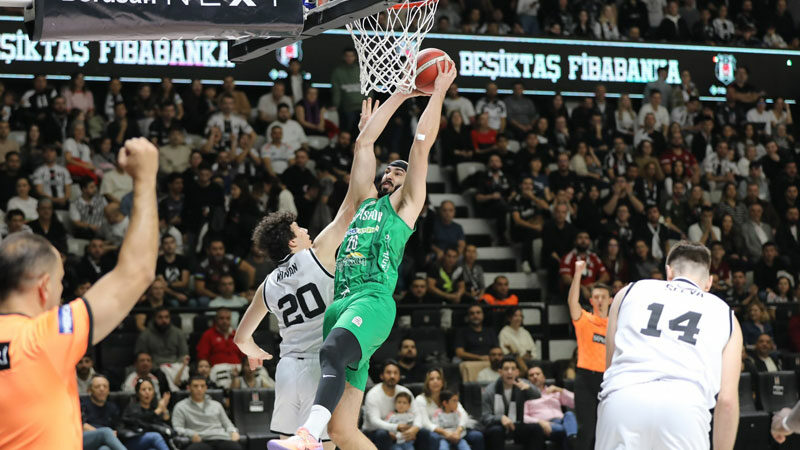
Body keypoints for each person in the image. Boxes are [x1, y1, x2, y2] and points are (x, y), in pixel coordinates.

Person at [269, 60, 457, 450]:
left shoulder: (405, 206)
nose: (389, 174)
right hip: (341, 303)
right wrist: (402, 93)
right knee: (342, 432)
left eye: (398, 173)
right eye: (387, 172)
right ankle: (317, 434)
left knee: (332, 350)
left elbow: (421, 145)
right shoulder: (364, 202)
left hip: (372, 301)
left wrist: (436, 92)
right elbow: (363, 145)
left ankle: (305, 436)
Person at [0, 137, 158, 449]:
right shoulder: (43, 337)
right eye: (60, 284)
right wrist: (146, 177)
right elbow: (137, 271)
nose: (62, 295)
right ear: (44, 286)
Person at [597, 241, 742, 450]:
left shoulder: (628, 292)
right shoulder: (725, 314)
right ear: (709, 283)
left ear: (669, 272)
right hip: (685, 408)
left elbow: (610, 366)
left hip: (624, 399)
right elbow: (727, 401)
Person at [567, 261, 611, 450]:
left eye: (603, 296)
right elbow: (572, 302)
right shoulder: (584, 319)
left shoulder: (617, 324)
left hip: (609, 380)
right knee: (587, 430)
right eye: (596, 297)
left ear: (610, 300)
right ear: (591, 300)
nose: (599, 300)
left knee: (609, 429)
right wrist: (577, 273)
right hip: (586, 378)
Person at [481, 356, 544, 450]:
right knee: (496, 431)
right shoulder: (490, 390)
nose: (510, 372)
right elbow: (485, 417)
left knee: (536, 428)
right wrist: (500, 418)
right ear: (500, 372)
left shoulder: (522, 384)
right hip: (497, 427)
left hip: (516, 426)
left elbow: (538, 395)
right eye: (506, 369)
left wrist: (529, 389)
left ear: (517, 372)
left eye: (513, 369)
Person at [361, 361, 423, 450]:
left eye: (395, 373)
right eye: (388, 372)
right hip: (374, 432)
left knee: (424, 432)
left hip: (401, 431)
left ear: (399, 376)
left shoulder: (405, 392)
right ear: (381, 376)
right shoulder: (373, 395)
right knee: (382, 434)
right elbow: (374, 421)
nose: (392, 376)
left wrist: (415, 429)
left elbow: (417, 414)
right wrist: (394, 428)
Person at [172, 376, 242, 450]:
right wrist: (191, 434)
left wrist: (233, 431)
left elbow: (227, 424)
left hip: (221, 438)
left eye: (202, 386)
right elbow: (177, 428)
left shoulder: (216, 404)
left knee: (235, 447)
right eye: (195, 386)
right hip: (200, 440)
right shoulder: (180, 406)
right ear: (189, 388)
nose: (199, 389)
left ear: (206, 388)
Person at [524, 366, 577, 447]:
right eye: (531, 375)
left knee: (569, 414)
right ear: (528, 380)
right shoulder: (526, 396)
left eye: (537, 374)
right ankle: (573, 438)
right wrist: (540, 422)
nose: (535, 376)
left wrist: (561, 390)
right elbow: (524, 417)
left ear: (544, 377)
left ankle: (573, 437)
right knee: (567, 432)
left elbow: (575, 402)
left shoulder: (554, 391)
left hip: (563, 421)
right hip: (546, 424)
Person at [120, 378, 171, 450]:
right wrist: (158, 410)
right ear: (137, 393)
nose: (147, 392)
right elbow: (140, 421)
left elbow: (166, 427)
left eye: (150, 389)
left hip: (150, 442)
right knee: (155, 436)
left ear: (154, 393)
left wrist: (164, 409)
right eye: (143, 390)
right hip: (134, 440)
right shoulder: (132, 407)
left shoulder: (155, 407)